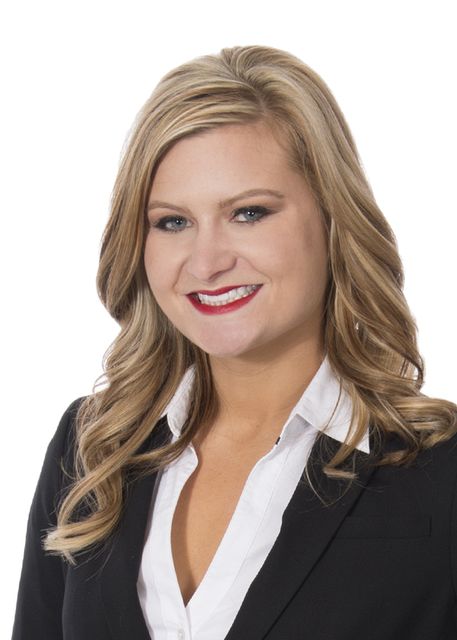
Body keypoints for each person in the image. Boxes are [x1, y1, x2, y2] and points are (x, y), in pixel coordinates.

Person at [12, 45, 457, 640]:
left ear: (333, 218)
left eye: (248, 213)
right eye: (173, 222)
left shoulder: (442, 470)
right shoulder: (92, 448)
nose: (206, 262)